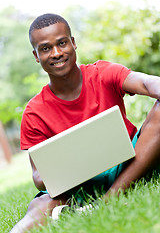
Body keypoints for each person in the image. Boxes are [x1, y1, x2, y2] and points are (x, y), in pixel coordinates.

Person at [10, 13, 160, 232]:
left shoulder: (103, 73)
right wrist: (74, 160)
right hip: (78, 184)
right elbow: (39, 178)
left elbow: (147, 83)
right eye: (45, 48)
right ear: (36, 55)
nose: (56, 53)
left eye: (62, 43)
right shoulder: (34, 112)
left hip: (130, 164)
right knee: (40, 205)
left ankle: (107, 200)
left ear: (73, 43)